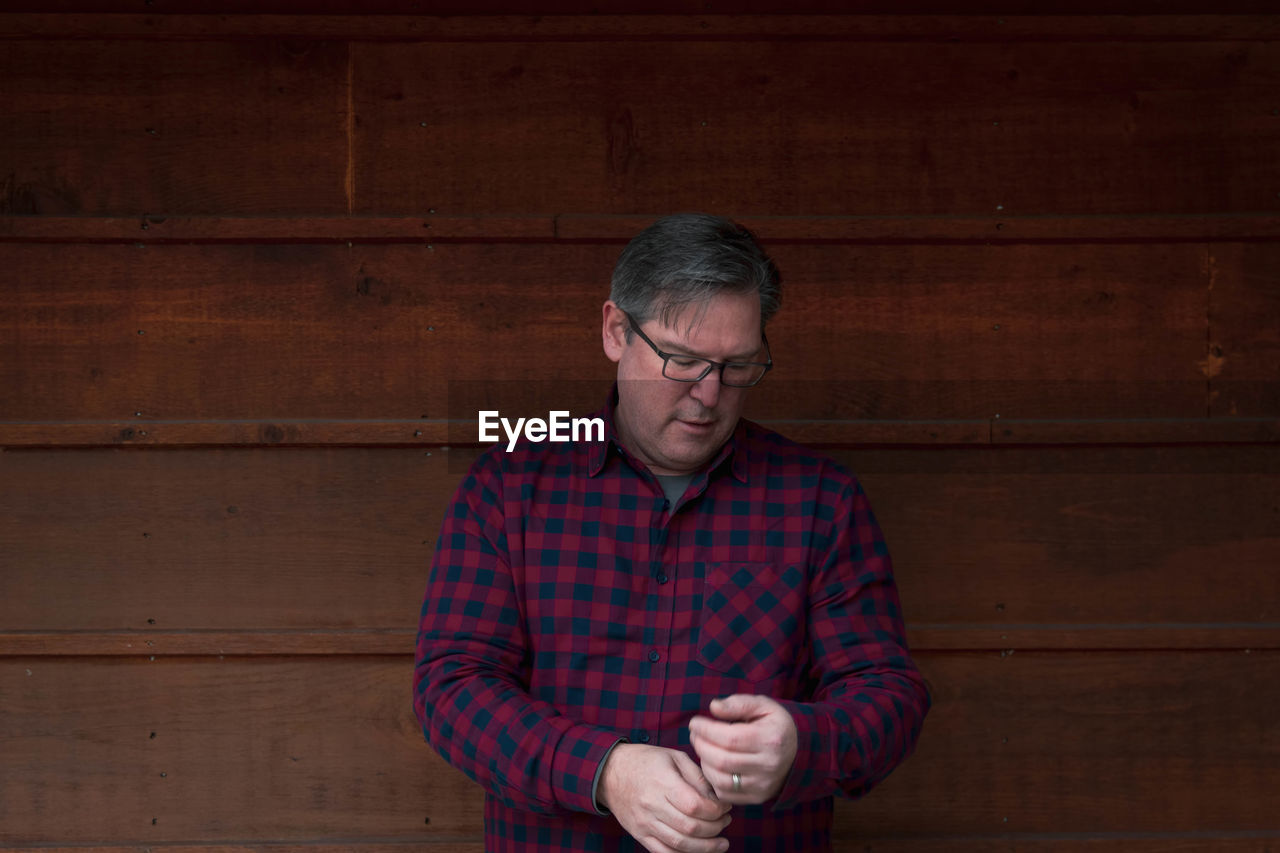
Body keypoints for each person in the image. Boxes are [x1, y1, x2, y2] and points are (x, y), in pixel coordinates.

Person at [413, 213, 930, 852]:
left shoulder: (819, 498)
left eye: (737, 366)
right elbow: (452, 687)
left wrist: (803, 743)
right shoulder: (509, 484)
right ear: (615, 331)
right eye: (682, 360)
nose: (709, 395)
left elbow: (889, 693)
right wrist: (605, 771)